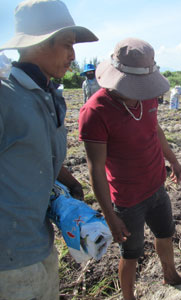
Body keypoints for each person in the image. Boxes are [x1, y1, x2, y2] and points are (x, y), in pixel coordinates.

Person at [0, 0, 98, 299]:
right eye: (68, 44)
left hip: (41, 241)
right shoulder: (5, 98)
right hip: (9, 256)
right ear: (40, 43)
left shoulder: (48, 95)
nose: (73, 55)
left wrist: (66, 179)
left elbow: (35, 155)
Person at [79, 37, 181, 300]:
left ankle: (170, 274)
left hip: (156, 186)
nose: (142, 91)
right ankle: (128, 297)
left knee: (166, 234)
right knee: (131, 254)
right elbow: (95, 170)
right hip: (127, 199)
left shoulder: (148, 98)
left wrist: (172, 159)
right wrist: (109, 215)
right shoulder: (95, 111)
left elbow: (155, 129)